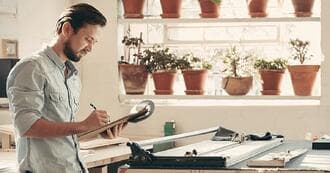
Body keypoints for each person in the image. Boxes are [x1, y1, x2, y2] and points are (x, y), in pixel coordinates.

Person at [6, 3, 126, 173]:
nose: (90, 48)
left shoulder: (72, 75)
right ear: (67, 29)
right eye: (88, 39)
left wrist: (95, 129)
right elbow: (27, 126)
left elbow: (62, 133)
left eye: (94, 42)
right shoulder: (31, 68)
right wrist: (83, 125)